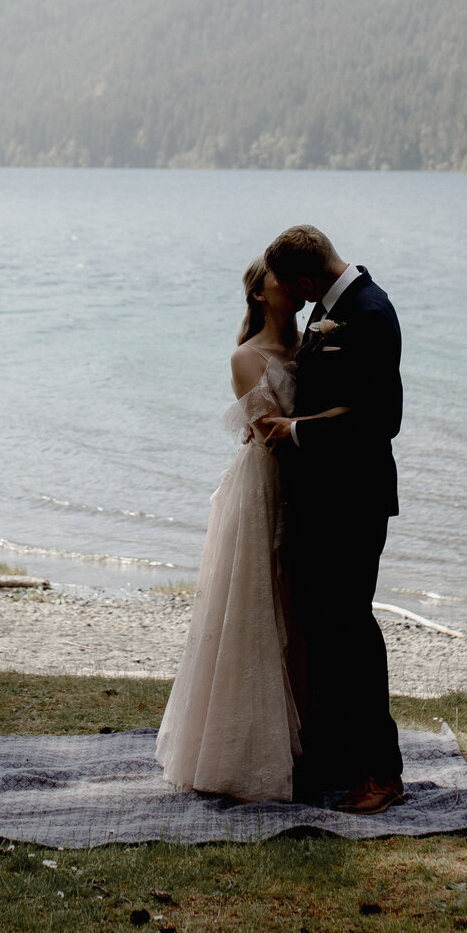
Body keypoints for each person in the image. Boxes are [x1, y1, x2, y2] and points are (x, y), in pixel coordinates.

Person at [254, 224, 405, 813]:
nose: (295, 301)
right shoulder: (329, 307)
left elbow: (379, 420)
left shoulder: (369, 313)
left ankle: (383, 774)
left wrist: (296, 430)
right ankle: (342, 758)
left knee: (353, 634)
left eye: (293, 289)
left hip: (354, 501)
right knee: (328, 635)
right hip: (324, 500)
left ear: (308, 278)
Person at [154, 258, 303, 801]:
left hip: (307, 488)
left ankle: (305, 738)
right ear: (259, 294)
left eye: (292, 278)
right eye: (277, 279)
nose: (289, 285)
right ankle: (249, 750)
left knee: (297, 611)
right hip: (265, 488)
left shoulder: (312, 346)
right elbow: (269, 435)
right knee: (256, 607)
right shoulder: (247, 357)